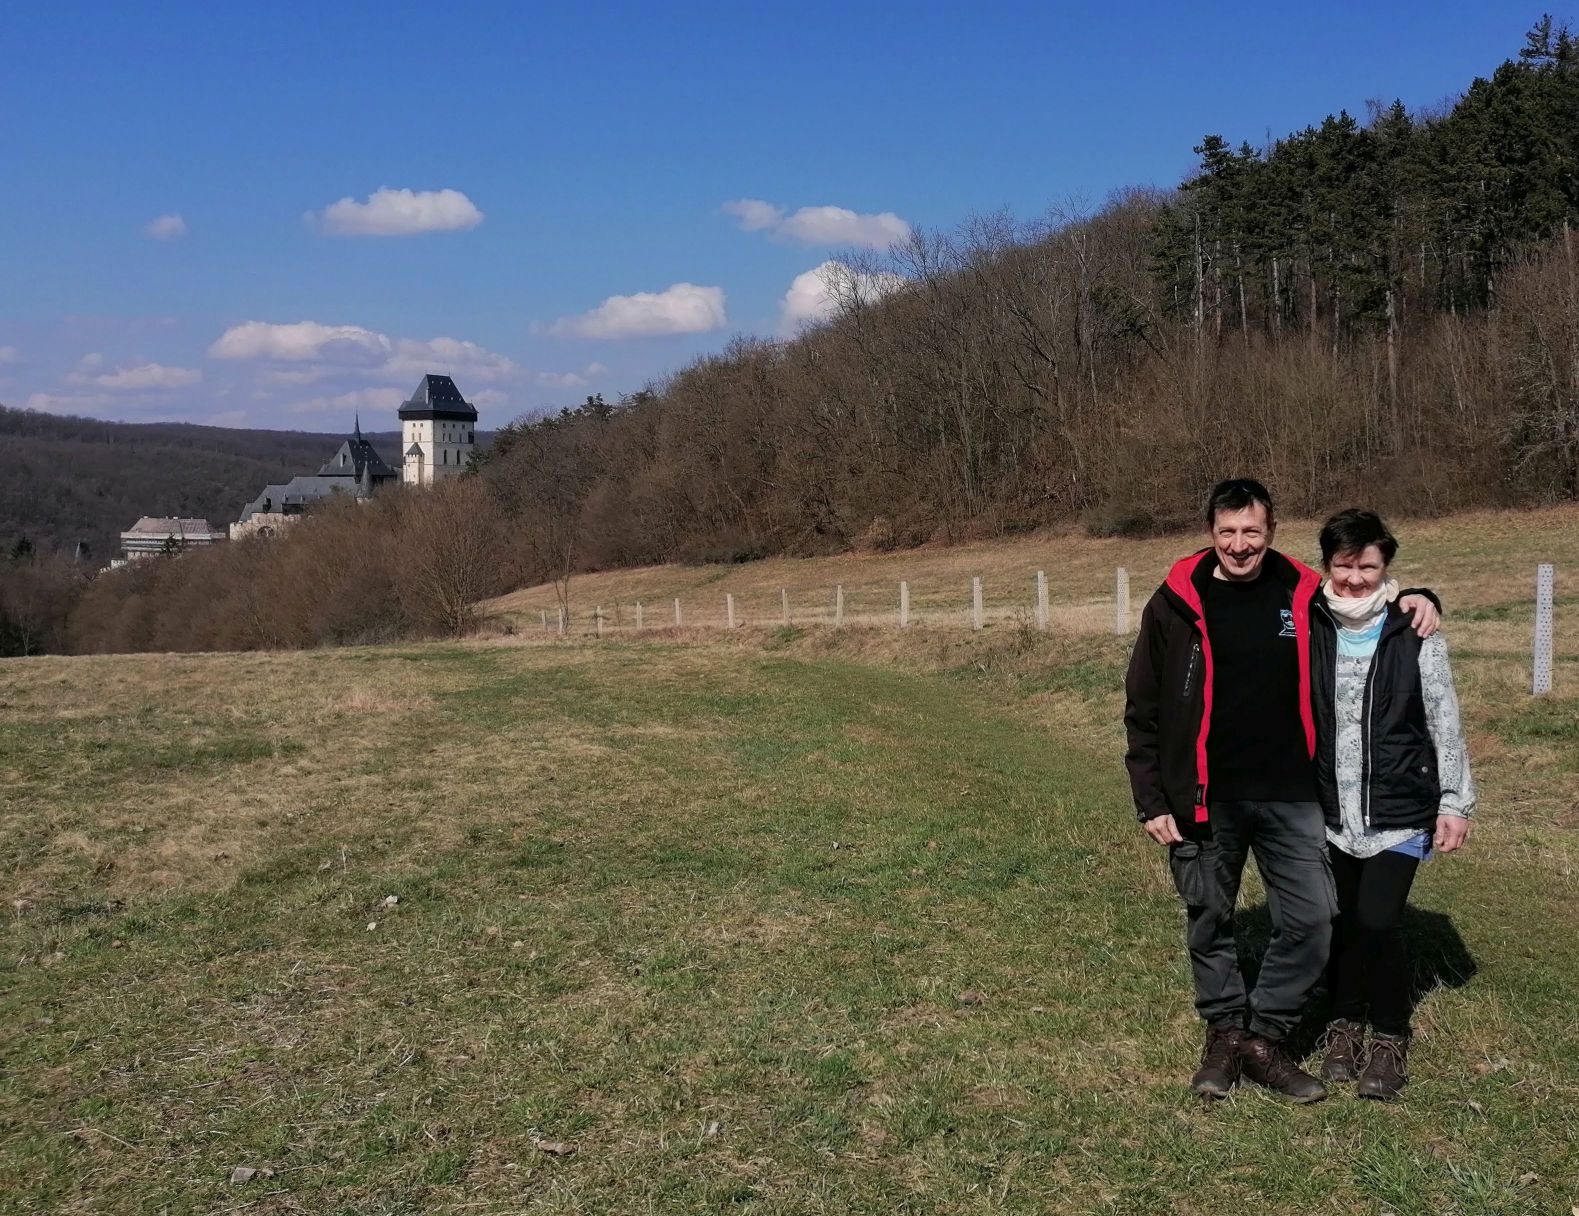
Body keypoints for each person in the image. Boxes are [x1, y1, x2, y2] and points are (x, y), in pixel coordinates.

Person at [1123, 478, 1438, 1103]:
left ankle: (1262, 1038)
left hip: (1292, 794)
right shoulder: (1173, 603)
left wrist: (1422, 597)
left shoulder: (1302, 592)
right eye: (1228, 531)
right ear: (1211, 532)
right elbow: (1143, 707)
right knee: (1209, 917)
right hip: (1204, 796)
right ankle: (1223, 1029)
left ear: (1271, 531)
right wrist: (1152, 797)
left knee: (1313, 919)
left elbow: (1363, 592)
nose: (1240, 545)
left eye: (1252, 532)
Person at [1310, 509, 1474, 1100]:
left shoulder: (1414, 628)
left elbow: (1443, 716)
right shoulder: (1309, 621)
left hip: (1399, 807)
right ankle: (1344, 1023)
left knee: (1377, 920)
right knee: (1338, 921)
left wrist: (1455, 801)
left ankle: (1389, 1033)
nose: (1354, 579)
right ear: (1326, 565)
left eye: (1368, 567)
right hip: (1329, 810)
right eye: (1344, 566)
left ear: (1387, 569)